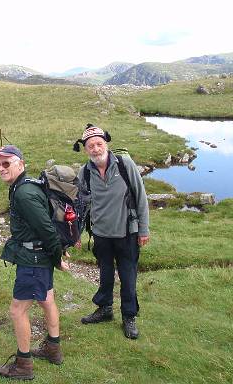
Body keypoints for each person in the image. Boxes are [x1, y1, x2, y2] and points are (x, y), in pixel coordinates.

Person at [0, 145, 70, 380]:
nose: (1, 168)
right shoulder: (24, 186)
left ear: (21, 164)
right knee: (47, 299)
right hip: (38, 256)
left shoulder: (24, 193)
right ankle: (53, 349)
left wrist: (57, 259)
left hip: (34, 260)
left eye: (7, 163)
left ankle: (23, 364)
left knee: (17, 310)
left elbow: (46, 229)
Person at [74, 124, 150, 339]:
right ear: (86, 149)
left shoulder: (125, 164)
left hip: (127, 232)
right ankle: (105, 309)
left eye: (99, 144)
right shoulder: (85, 172)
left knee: (128, 275)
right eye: (91, 146)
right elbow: (81, 204)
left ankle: (129, 316)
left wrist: (143, 229)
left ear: (106, 144)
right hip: (100, 234)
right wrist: (77, 233)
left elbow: (141, 196)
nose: (96, 149)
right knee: (105, 273)